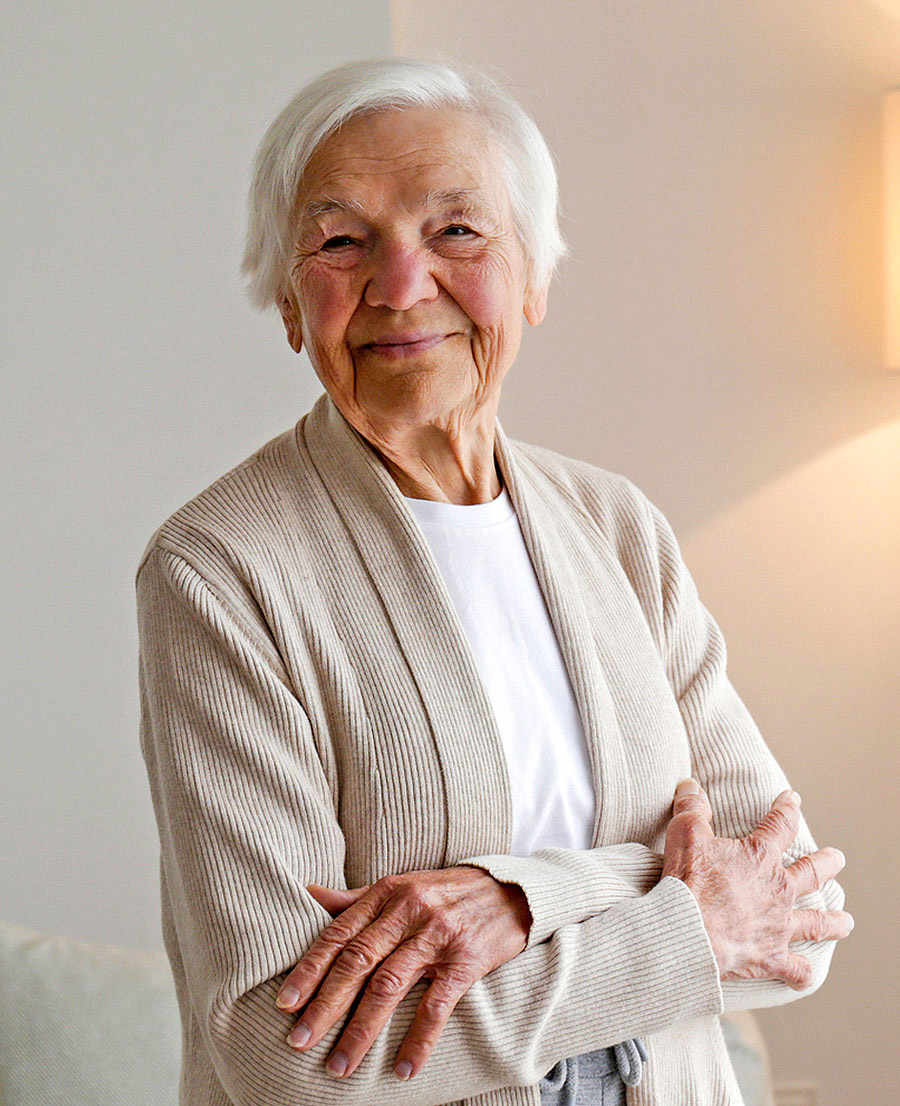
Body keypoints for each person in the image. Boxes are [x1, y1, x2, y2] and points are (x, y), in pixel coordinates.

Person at [136, 57, 852, 1106]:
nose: (400, 285)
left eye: (456, 231)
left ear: (533, 276)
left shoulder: (617, 528)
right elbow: (286, 1056)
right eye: (342, 242)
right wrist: (681, 924)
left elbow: (794, 919)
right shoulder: (223, 570)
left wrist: (520, 898)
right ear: (290, 300)